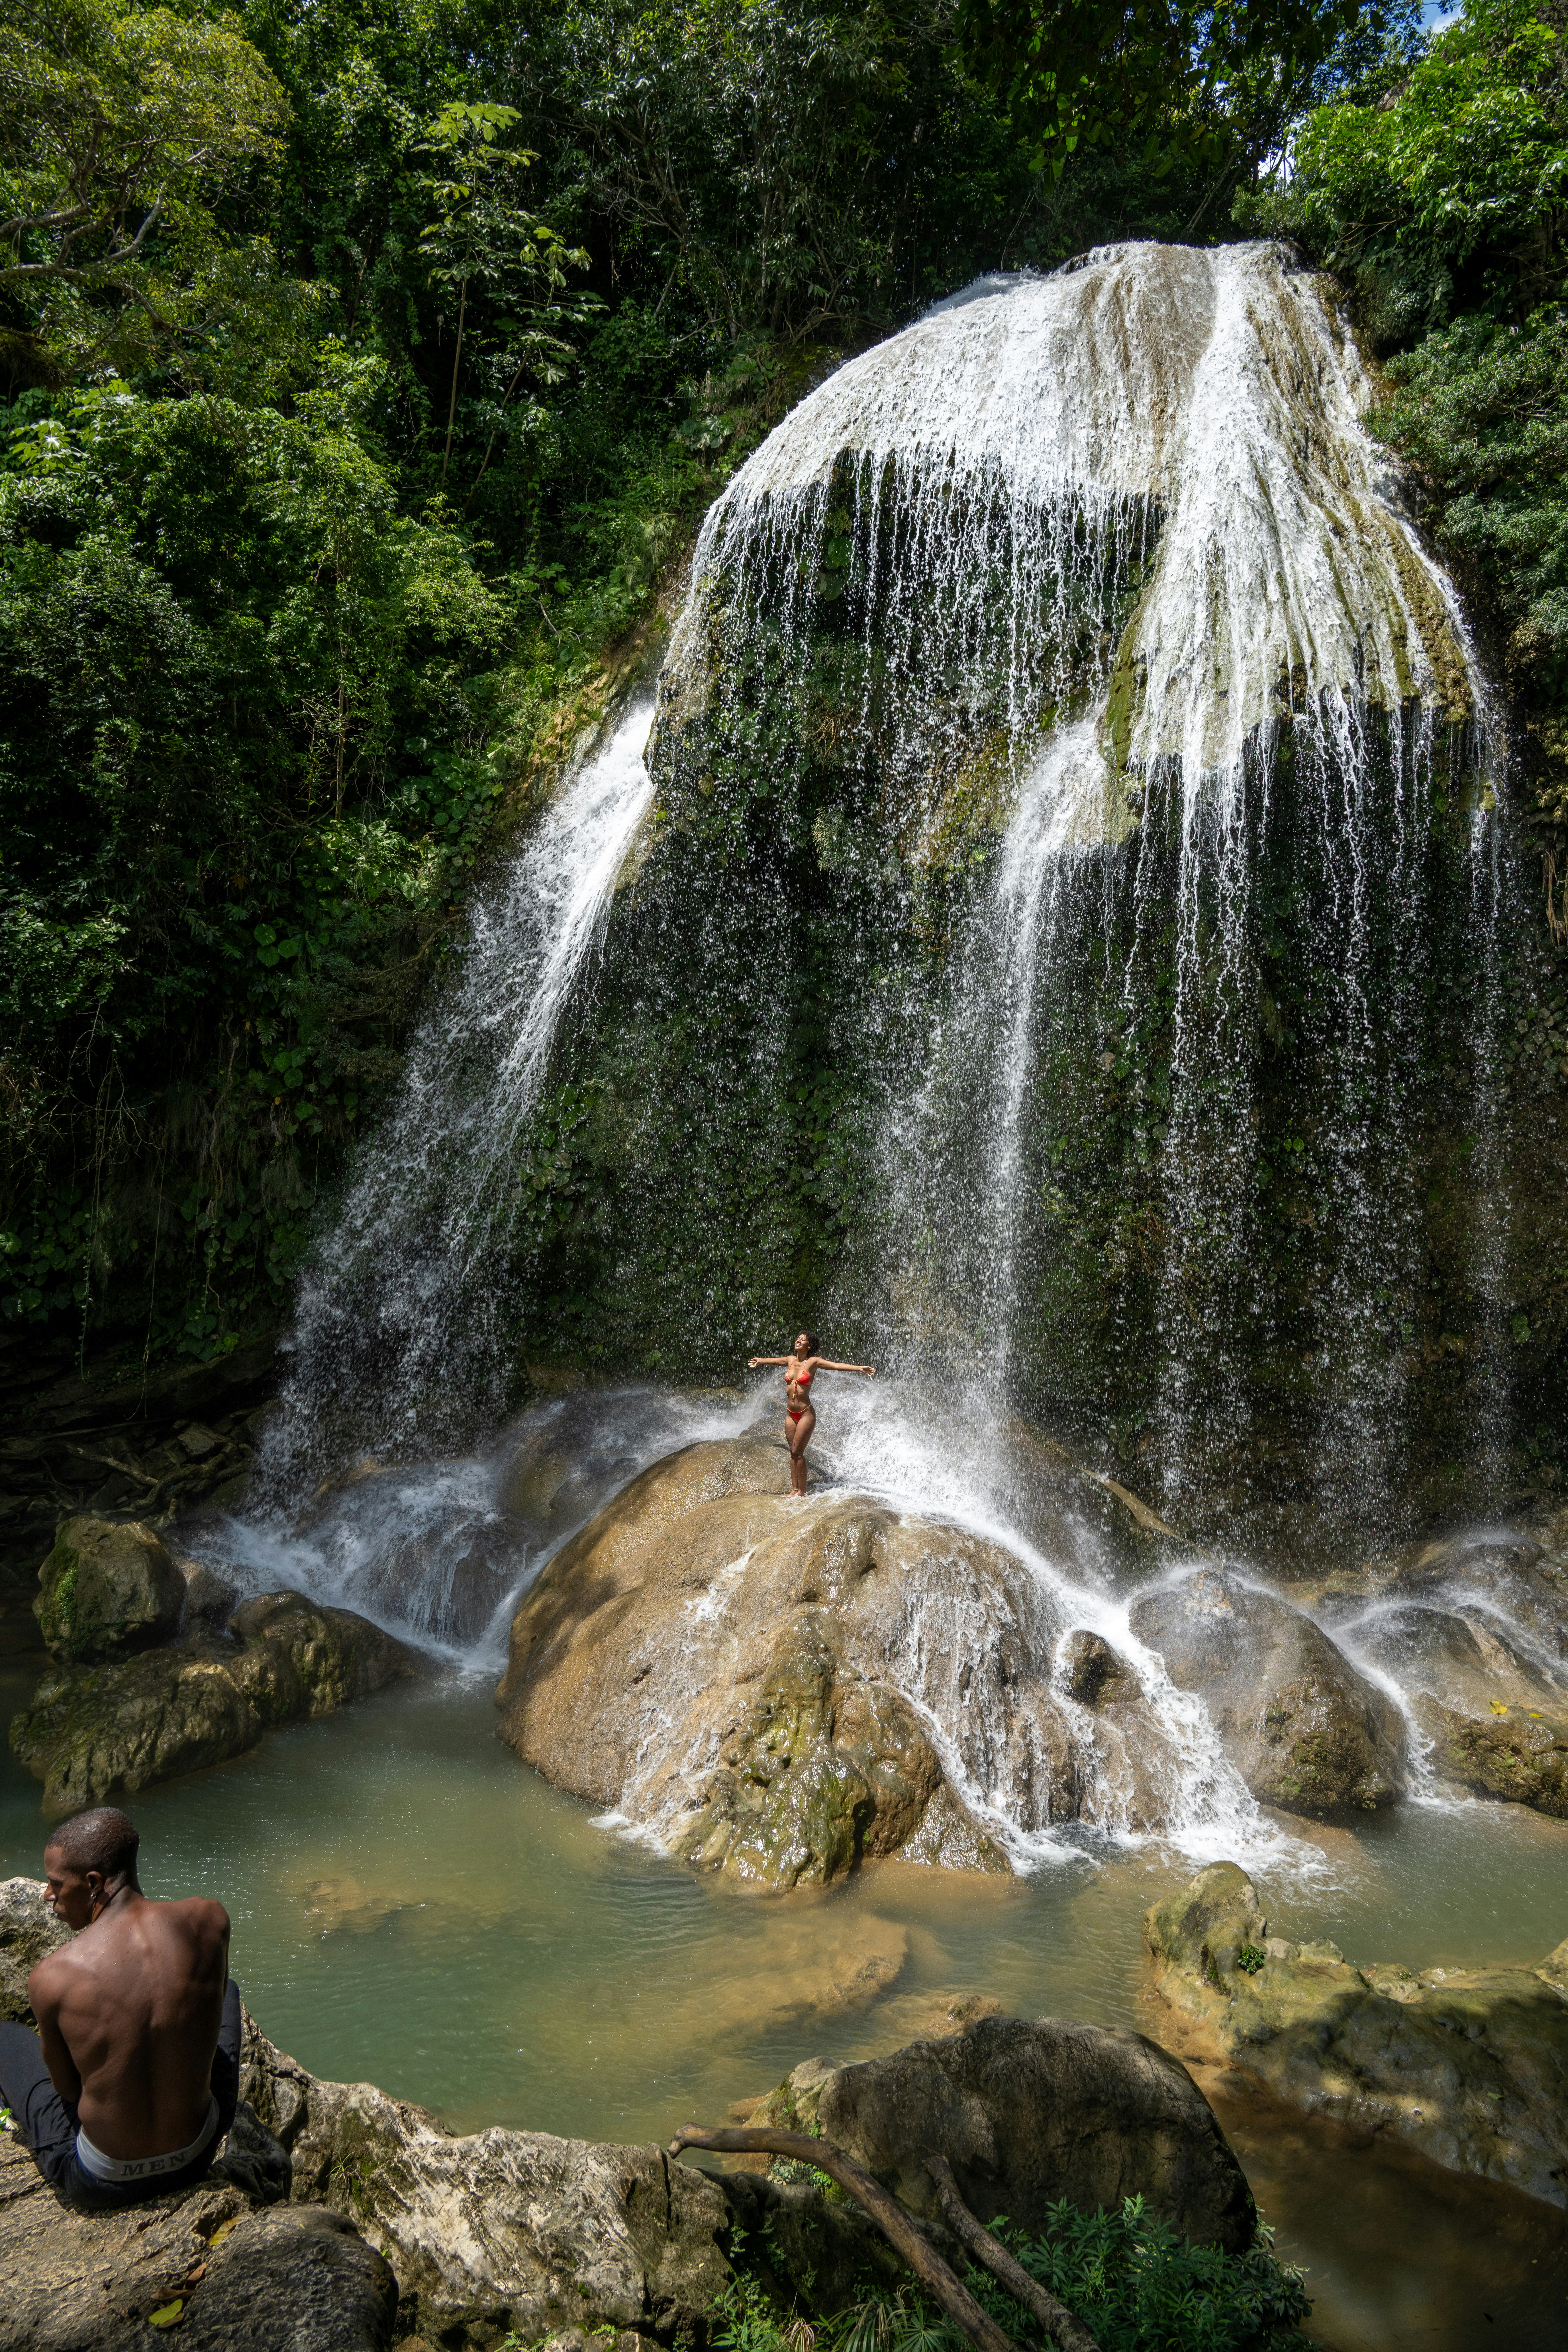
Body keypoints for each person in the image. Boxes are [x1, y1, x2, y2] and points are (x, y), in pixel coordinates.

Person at [0, 1806, 241, 2209]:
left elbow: (68, 2092)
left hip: (101, 2181)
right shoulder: (209, 1920)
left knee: (7, 2038)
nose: (47, 1895)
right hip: (197, 2154)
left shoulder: (53, 1977)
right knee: (229, 1991)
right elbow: (212, 2007)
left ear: (94, 1883)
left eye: (56, 1884)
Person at [748, 1329, 875, 1495]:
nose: (798, 1341)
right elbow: (775, 1361)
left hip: (805, 1413)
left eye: (803, 1340)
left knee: (797, 1452)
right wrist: (760, 1360)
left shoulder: (813, 1362)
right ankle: (794, 1489)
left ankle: (802, 1491)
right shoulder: (791, 1360)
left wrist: (859, 1368)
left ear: (810, 1345)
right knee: (792, 1453)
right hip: (790, 1413)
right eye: (798, 1338)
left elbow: (836, 1366)